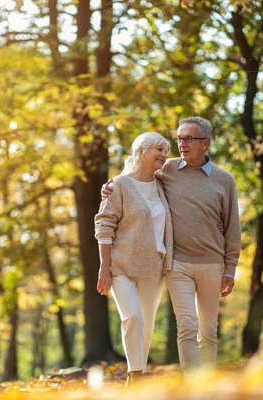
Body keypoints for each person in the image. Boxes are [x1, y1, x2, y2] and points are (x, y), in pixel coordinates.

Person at [102, 117, 241, 379]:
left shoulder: (224, 180)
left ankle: (207, 385)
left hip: (212, 263)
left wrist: (230, 268)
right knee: (187, 325)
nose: (181, 144)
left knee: (208, 330)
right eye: (179, 138)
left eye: (189, 138)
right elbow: (135, 175)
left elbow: (232, 227)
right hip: (176, 264)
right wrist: (110, 185)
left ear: (205, 143)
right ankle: (192, 385)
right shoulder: (167, 170)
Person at [94, 132, 174, 385]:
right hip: (121, 267)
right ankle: (136, 375)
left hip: (154, 267)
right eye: (158, 150)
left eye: (165, 151)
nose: (163, 155)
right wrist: (104, 268)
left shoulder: (164, 184)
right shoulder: (118, 185)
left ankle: (135, 378)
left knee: (147, 325)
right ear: (141, 151)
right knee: (133, 317)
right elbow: (104, 225)